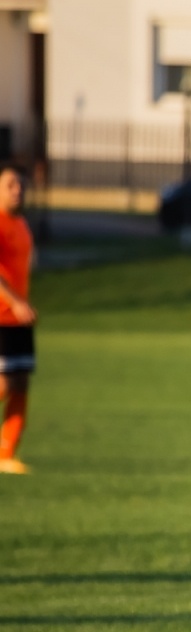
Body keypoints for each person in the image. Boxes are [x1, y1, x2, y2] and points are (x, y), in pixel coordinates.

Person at [0, 166, 36, 475]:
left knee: (21, 383)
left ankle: (6, 453)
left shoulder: (22, 224)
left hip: (19, 319)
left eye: (21, 184)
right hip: (1, 315)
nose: (17, 190)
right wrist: (15, 301)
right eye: (10, 184)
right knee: (3, 383)